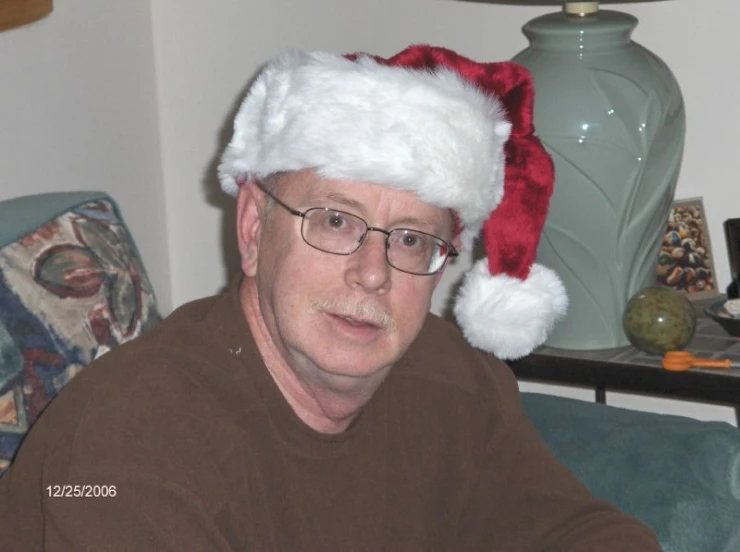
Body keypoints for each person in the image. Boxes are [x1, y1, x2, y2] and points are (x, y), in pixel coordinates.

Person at [0, 45, 661, 551]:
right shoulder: (125, 441)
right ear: (255, 229)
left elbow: (578, 533)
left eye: (409, 239)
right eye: (336, 222)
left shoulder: (450, 378)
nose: (372, 274)